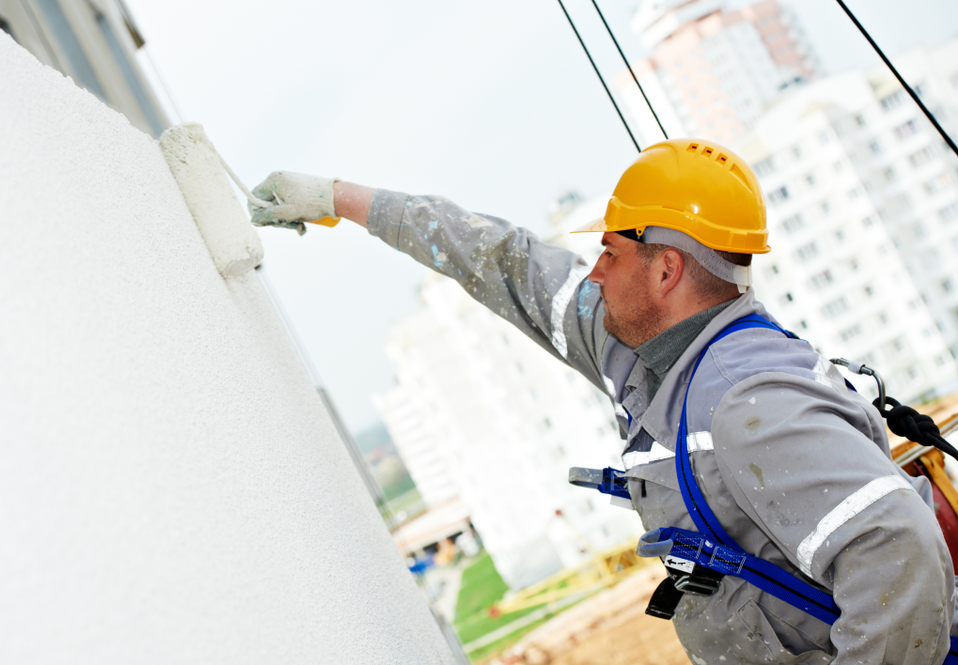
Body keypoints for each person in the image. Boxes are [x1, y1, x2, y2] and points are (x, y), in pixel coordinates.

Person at [251, 138, 956, 664]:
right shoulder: (644, 348)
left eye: (610, 254)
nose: (592, 270)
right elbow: (507, 262)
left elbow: (899, 555)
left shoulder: (746, 398)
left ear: (667, 269)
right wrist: (338, 198)